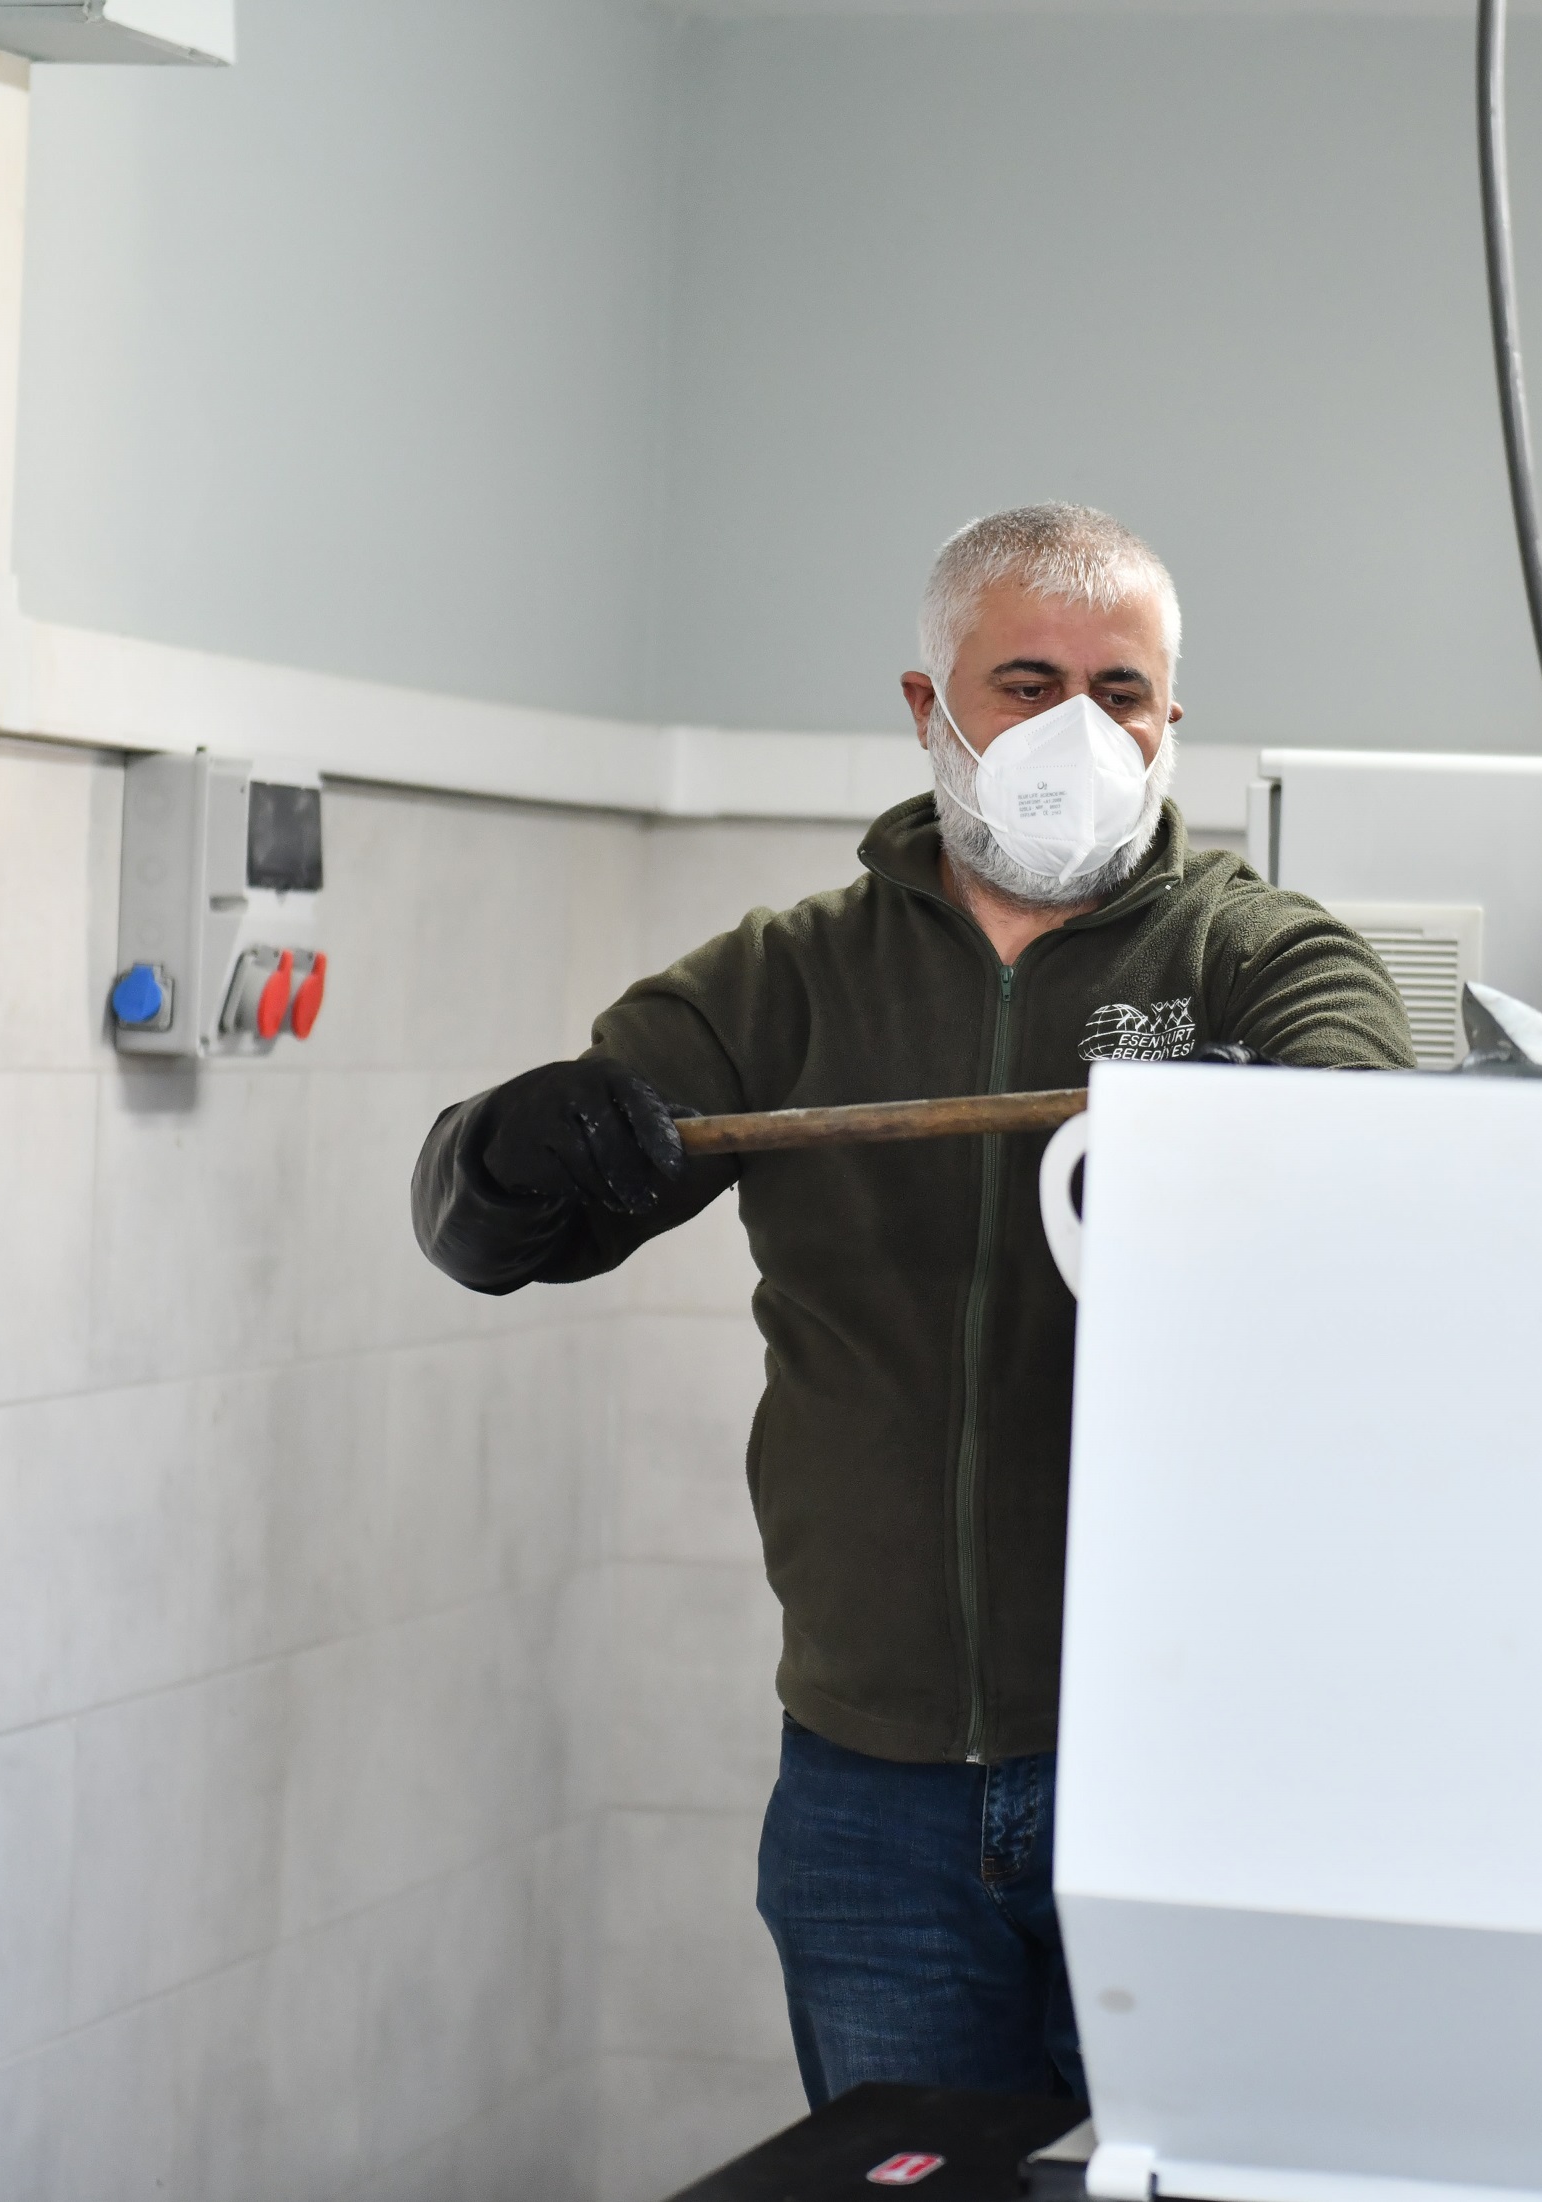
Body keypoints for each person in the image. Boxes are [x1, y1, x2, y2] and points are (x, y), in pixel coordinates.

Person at [411, 503, 1411, 2107]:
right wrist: (494, 1157)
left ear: (1172, 718)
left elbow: (1368, 1181)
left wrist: (1259, 1145)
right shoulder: (788, 979)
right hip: (869, 1794)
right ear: (927, 706)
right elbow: (485, 1229)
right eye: (1028, 684)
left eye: (1121, 691)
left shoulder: (1264, 960)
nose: (1080, 730)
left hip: (1183, 1774)